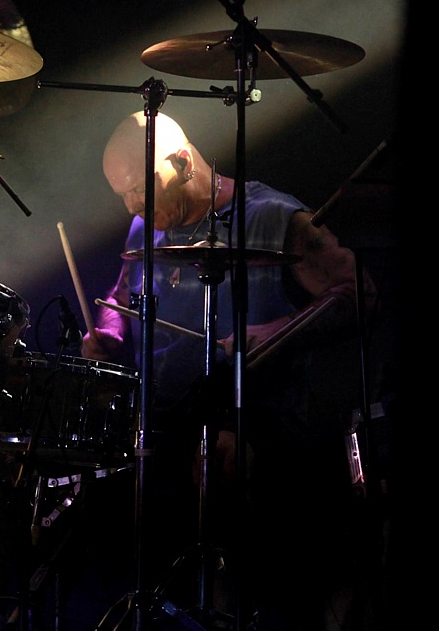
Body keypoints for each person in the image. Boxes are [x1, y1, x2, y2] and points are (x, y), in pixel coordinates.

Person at [81, 110, 379, 629]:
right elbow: (123, 293)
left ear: (182, 161)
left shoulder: (274, 218)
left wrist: (274, 331)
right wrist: (108, 331)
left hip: (263, 425)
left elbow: (359, 293)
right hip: (170, 421)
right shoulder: (146, 223)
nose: (132, 206)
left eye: (140, 190)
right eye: (123, 195)